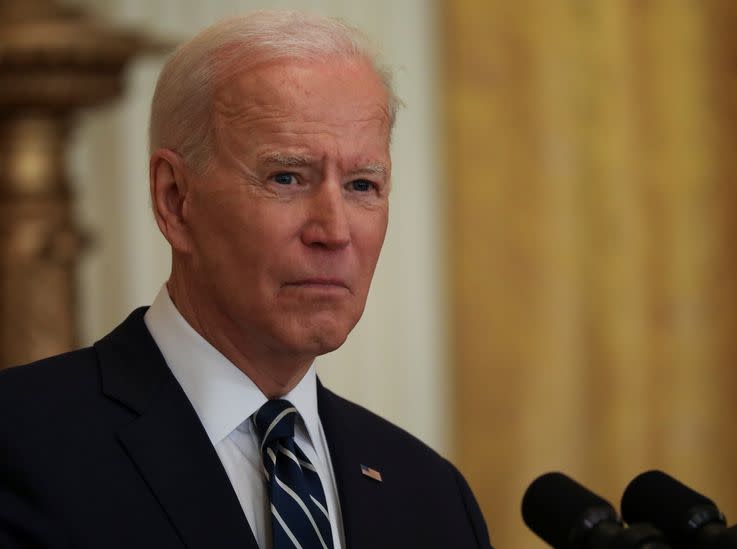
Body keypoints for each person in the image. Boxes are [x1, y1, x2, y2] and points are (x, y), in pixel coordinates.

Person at [0, 10, 492, 549]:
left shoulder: (432, 497)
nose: (333, 231)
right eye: (286, 177)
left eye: (362, 185)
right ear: (176, 200)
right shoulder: (21, 444)